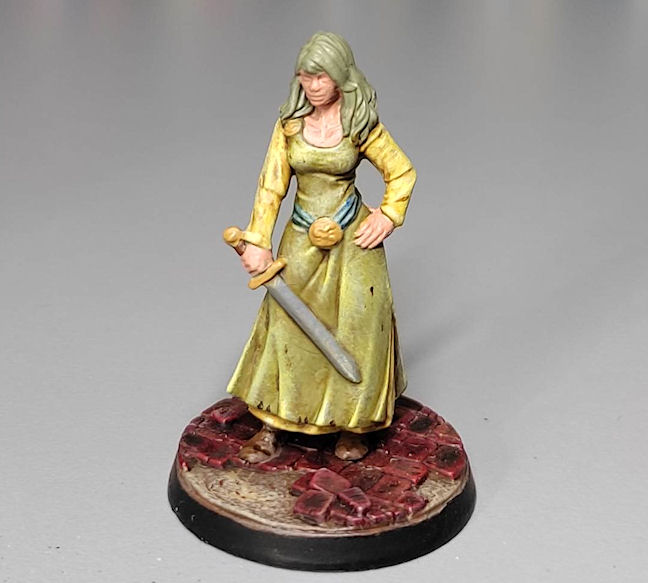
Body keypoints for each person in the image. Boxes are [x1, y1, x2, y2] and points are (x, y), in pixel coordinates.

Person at [226, 32, 416, 462]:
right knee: (285, 328)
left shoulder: (359, 125)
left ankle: (352, 425)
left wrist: (388, 215)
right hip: (301, 238)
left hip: (355, 243)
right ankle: (273, 423)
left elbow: (402, 172)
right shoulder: (290, 126)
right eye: (304, 76)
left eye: (321, 76)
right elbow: (271, 186)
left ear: (340, 76)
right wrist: (258, 241)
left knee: (359, 326)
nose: (312, 86)